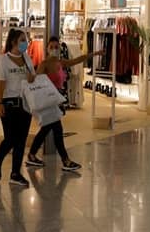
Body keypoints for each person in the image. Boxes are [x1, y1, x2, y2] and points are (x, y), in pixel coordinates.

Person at [26, 36, 103, 171]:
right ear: (47, 49)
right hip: (48, 102)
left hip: (56, 101)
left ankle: (32, 155)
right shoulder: (44, 64)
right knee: (57, 131)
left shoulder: (61, 63)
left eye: (56, 47)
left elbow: (77, 60)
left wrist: (94, 54)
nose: (54, 49)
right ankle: (65, 160)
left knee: (46, 130)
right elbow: (37, 82)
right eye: (51, 47)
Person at [0, 28, 36, 187]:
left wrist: (32, 77)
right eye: (22, 40)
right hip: (9, 103)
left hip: (25, 103)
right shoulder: (3, 60)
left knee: (21, 140)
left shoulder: (27, 58)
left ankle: (15, 173)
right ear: (13, 42)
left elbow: (32, 78)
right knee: (10, 138)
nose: (25, 43)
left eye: (26, 40)